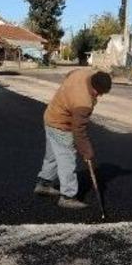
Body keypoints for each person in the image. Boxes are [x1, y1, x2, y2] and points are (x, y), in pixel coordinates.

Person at [35, 69, 112, 209]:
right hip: (61, 124)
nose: (99, 96)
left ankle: (44, 184)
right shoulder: (83, 102)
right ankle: (68, 196)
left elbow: (69, 74)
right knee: (67, 160)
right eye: (99, 92)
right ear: (95, 87)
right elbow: (79, 131)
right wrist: (87, 152)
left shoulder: (83, 73)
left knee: (52, 155)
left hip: (50, 115)